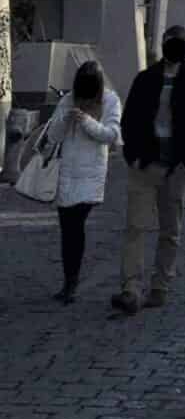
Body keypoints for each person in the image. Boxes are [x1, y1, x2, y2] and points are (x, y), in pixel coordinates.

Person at [112, 25, 185, 314]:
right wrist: (132, 155)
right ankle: (130, 288)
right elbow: (129, 118)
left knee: (170, 230)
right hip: (145, 164)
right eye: (170, 42)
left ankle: (160, 286)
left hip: (177, 167)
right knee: (135, 226)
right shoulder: (146, 79)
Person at [46, 60, 122, 303]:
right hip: (67, 173)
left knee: (75, 227)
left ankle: (72, 283)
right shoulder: (69, 99)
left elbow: (111, 136)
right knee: (67, 230)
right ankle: (69, 281)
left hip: (91, 174)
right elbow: (52, 135)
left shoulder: (110, 100)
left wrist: (86, 122)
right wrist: (67, 118)